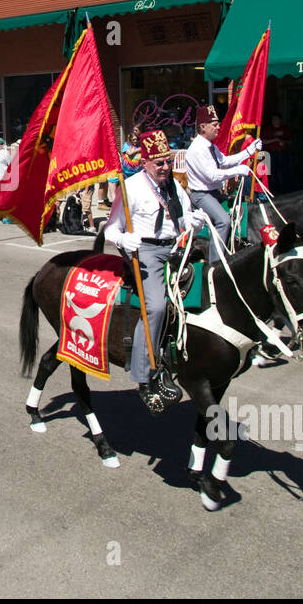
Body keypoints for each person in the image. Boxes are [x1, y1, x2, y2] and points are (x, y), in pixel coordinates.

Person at [104, 129, 201, 413]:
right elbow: (111, 228)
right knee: (157, 307)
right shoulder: (130, 187)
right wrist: (122, 239)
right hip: (146, 250)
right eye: (159, 163)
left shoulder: (174, 185)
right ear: (145, 162)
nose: (165, 167)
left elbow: (182, 215)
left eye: (168, 161)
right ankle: (143, 374)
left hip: (176, 247)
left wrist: (193, 220)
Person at [184, 106, 259, 262]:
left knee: (238, 213)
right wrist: (238, 170)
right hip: (201, 195)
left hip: (214, 193)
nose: (218, 127)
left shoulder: (210, 146)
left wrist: (249, 151)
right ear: (203, 126)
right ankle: (215, 263)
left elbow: (224, 161)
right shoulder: (197, 149)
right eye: (215, 124)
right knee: (223, 220)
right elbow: (212, 176)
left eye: (218, 124)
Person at [263, 113, 291, 192]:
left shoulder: (285, 129)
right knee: (271, 171)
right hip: (271, 153)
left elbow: (290, 141)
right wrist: (275, 140)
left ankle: (283, 188)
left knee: (282, 171)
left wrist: (283, 141)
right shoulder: (268, 129)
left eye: (276, 119)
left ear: (280, 120)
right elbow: (263, 141)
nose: (274, 121)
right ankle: (272, 188)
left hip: (282, 152)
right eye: (273, 120)